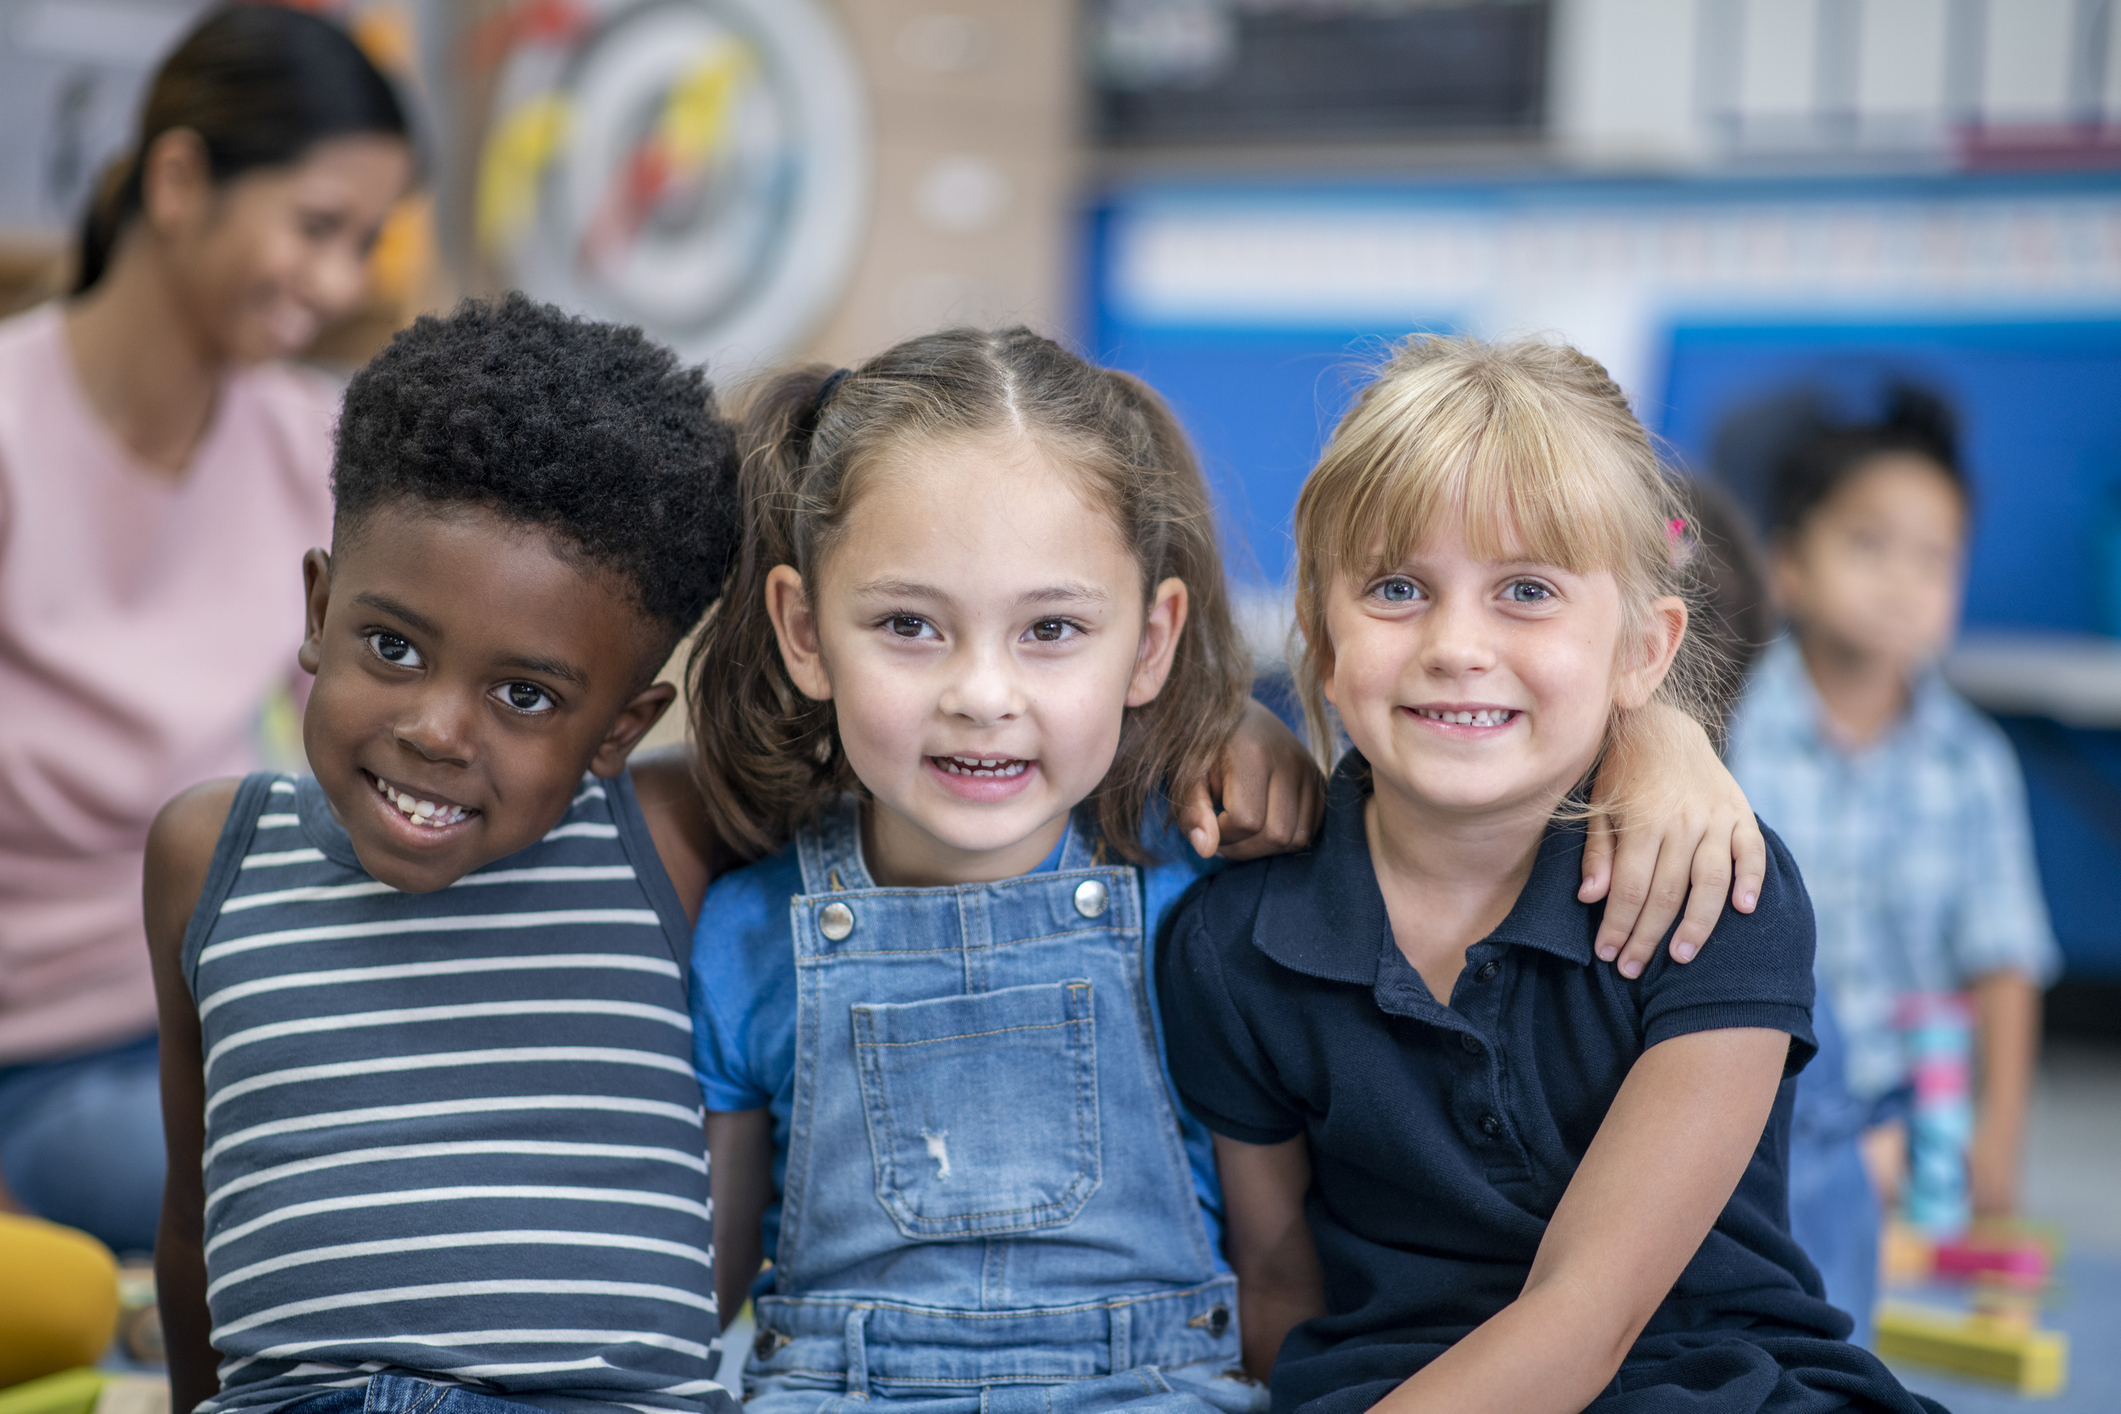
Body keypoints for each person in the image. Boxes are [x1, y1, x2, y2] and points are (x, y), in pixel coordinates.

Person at [687, 327, 1776, 1414]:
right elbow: (698, 1303)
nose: (982, 692)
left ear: (1151, 640)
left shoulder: (1205, 897)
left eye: (1052, 627)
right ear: (803, 627)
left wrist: (1661, 741)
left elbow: (1302, 1291)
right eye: (910, 625)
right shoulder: (749, 933)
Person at [1158, 335, 1938, 1414]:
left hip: (1715, 1383)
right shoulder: (1230, 944)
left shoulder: (1720, 897)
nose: (1457, 644)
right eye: (1397, 587)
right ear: (1320, 638)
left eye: (1525, 589)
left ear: (1643, 650)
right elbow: (1282, 1286)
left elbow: (1589, 1312)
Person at [143, 296, 745, 1414]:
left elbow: (922, 763)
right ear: (318, 608)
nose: (437, 729)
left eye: (526, 695)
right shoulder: (209, 855)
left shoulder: (669, 838)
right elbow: (195, 1217)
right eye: (393, 645)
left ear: (620, 727)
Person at [0, 3, 413, 1254]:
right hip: (44, 1070)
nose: (339, 283)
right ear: (179, 179)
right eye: (317, 227)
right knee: (311, 1210)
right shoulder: (14, 436)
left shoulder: (307, 444)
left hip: (224, 1008)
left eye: (367, 242)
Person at [1724, 387, 2060, 1230]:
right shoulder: (1727, 737)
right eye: (1868, 545)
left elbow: (2003, 963)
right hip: (1750, 1112)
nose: (1902, 583)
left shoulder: (1972, 764)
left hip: (1915, 1134)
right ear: (1788, 567)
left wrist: (1997, 1140)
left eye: (1933, 557)